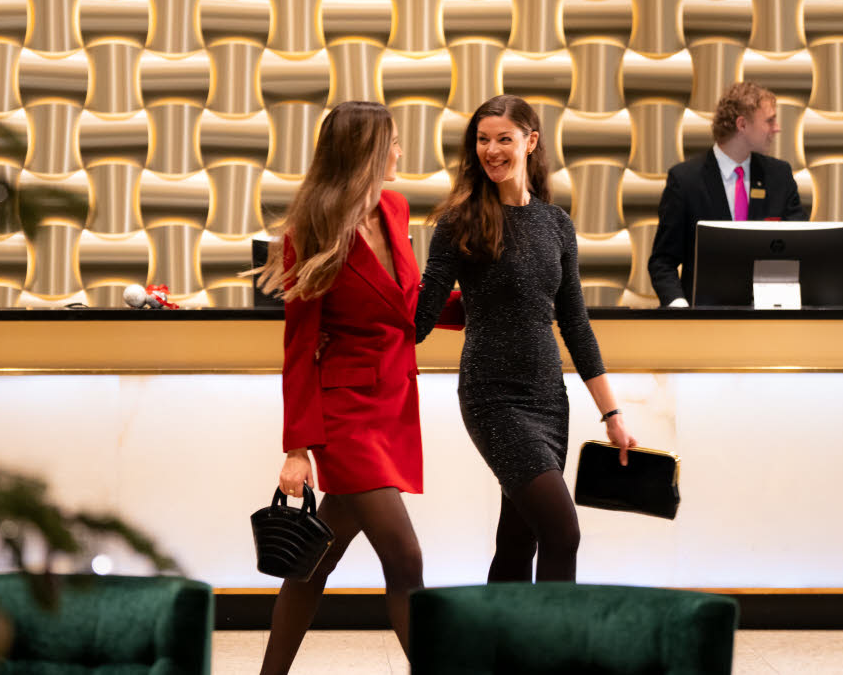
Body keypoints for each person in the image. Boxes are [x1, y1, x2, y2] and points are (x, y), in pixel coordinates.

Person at [414, 94, 637, 583]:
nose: (491, 150)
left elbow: (575, 325)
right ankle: (553, 654)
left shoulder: (556, 224)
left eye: (504, 139)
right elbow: (418, 318)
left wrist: (612, 415)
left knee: (518, 540)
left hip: (548, 399)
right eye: (482, 140)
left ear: (531, 142)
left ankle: (496, 649)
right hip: (492, 398)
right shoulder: (459, 220)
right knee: (562, 532)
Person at [254, 100, 425, 674]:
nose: (400, 152)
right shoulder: (313, 230)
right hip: (347, 417)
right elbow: (298, 348)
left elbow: (410, 304)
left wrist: (489, 304)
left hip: (392, 404)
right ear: (366, 151)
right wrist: (297, 448)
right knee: (405, 561)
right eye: (393, 142)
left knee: (315, 561)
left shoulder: (395, 209)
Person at [647, 82, 806, 307]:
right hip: (704, 324)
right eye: (769, 120)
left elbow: (802, 247)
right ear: (742, 124)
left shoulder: (779, 176)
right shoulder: (685, 181)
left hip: (770, 320)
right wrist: (680, 308)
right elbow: (662, 262)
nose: (777, 128)